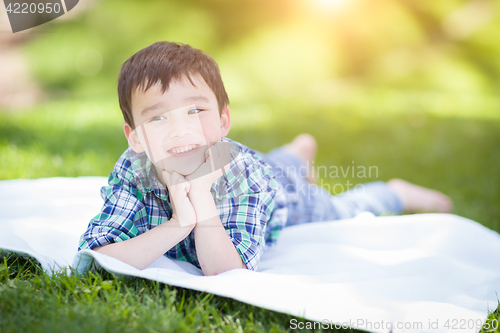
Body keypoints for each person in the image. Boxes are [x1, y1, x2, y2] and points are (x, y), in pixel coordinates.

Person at [78, 41, 452, 275]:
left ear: (224, 120)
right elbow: (97, 256)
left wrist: (202, 203)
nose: (179, 131)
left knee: (340, 210)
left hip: (281, 195)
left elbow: (229, 272)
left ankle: (395, 192)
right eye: (158, 117)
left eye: (195, 111)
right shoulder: (133, 170)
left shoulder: (246, 175)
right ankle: (296, 154)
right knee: (282, 164)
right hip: (268, 169)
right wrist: (179, 223)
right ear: (136, 138)